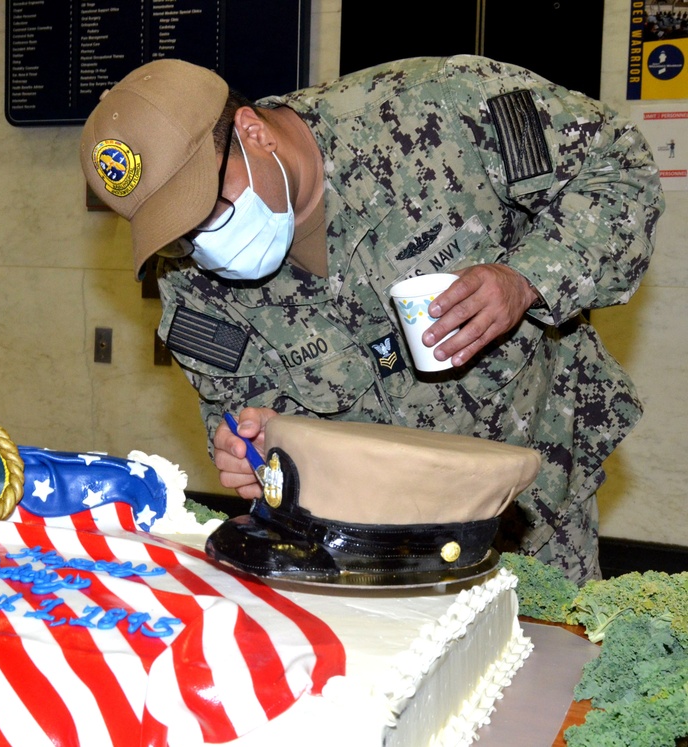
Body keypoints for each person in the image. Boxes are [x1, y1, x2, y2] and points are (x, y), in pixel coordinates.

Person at [80, 56, 664, 584]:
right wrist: (245, 450)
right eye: (178, 234)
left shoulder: (440, 109)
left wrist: (526, 279)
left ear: (252, 132)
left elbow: (620, 171)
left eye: (206, 207)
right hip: (360, 543)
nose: (202, 245)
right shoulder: (192, 282)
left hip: (529, 508)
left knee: (546, 679)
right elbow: (239, 410)